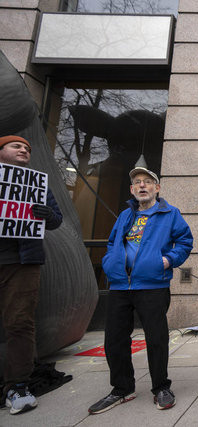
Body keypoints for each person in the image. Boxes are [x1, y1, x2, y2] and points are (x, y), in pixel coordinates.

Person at [89, 167, 193, 414]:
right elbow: (113, 242)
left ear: (157, 188)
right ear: (132, 190)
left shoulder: (170, 213)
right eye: (137, 183)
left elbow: (186, 241)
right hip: (119, 285)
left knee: (156, 338)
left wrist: (166, 261)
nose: (142, 186)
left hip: (152, 285)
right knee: (114, 339)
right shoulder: (125, 215)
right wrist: (109, 262)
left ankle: (161, 388)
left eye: (148, 182)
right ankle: (122, 389)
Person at [0, 135, 63, 415]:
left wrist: (47, 214)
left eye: (27, 147)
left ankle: (18, 385)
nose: (24, 149)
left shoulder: (36, 184)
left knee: (20, 322)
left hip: (24, 262)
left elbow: (57, 219)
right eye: (17, 146)